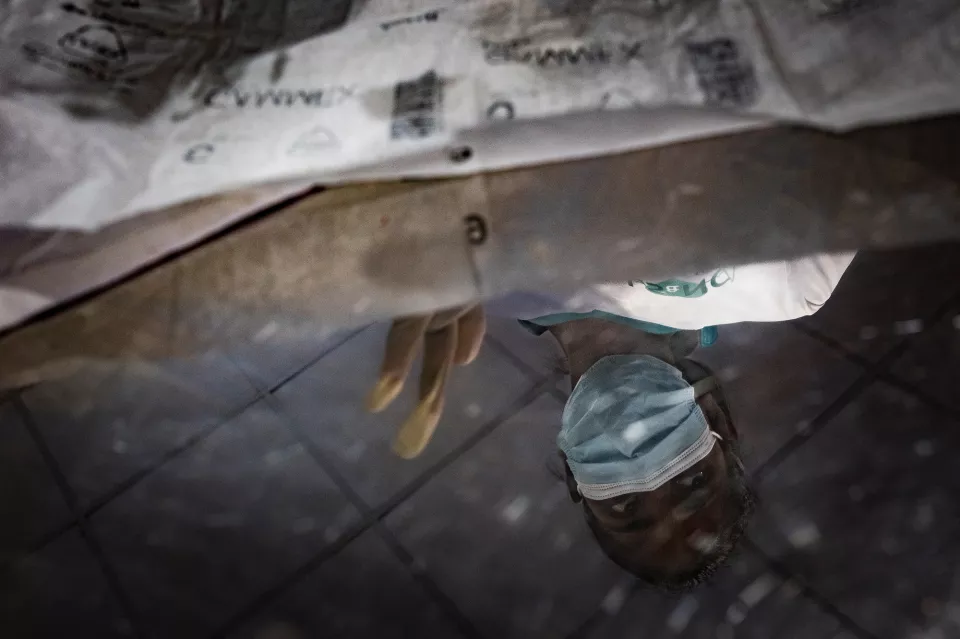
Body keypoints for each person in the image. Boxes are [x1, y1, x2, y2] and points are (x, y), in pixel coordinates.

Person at [365, 252, 855, 590]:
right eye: (691, 481)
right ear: (715, 420)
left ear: (577, 475)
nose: (644, 466)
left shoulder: (481, 288)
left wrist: (427, 256)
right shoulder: (786, 282)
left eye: (624, 505)